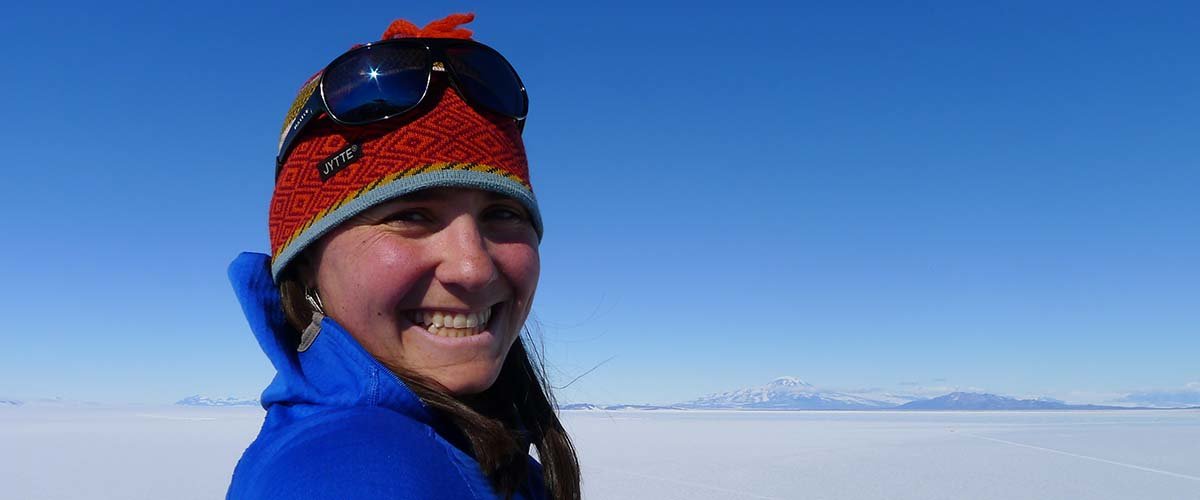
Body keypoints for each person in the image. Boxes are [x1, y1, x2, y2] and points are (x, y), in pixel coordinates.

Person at [226, 13, 580, 500]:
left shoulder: (469, 436)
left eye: (502, 213)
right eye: (411, 216)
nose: (473, 267)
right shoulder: (349, 472)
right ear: (307, 262)